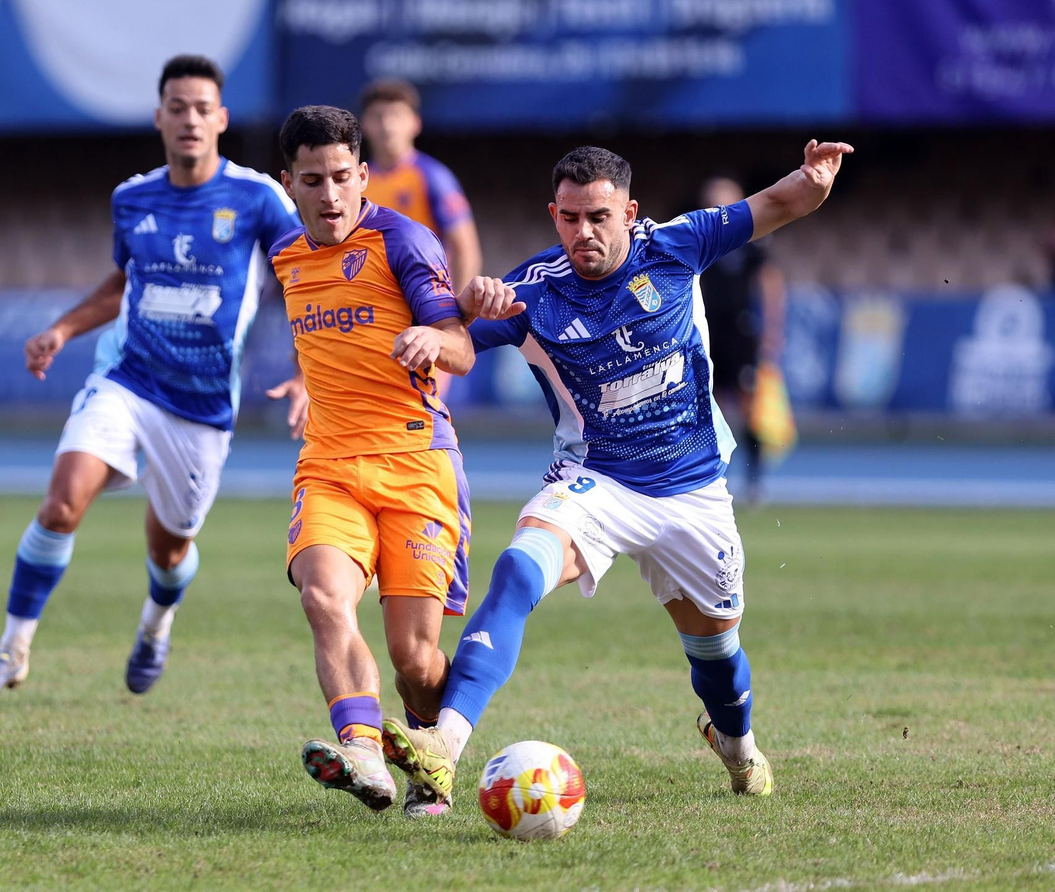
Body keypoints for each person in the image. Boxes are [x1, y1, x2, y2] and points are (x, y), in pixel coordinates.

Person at [381, 141, 854, 803]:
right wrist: (450, 325)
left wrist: (815, 179)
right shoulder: (531, 292)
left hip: (692, 489)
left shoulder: (677, 245)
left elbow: (780, 203)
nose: (584, 232)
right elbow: (458, 347)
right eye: (570, 218)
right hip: (595, 481)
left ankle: (738, 748)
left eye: (599, 216)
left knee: (717, 661)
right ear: (554, 214)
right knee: (519, 568)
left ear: (629, 213)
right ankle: (444, 748)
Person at [0, 55, 302, 704]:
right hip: (126, 377)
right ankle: (11, 651)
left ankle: (155, 626)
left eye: (203, 108)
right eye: (178, 107)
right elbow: (123, 284)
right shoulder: (132, 197)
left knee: (169, 551)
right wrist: (61, 330)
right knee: (61, 504)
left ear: (222, 119)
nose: (191, 119)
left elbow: (303, 282)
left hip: (201, 407)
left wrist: (308, 373)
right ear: (159, 117)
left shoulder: (259, 198)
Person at [269, 105, 478, 817]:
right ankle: (361, 750)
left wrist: (431, 341)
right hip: (329, 464)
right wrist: (306, 379)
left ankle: (431, 760)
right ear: (288, 184)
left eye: (340, 178)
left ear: (363, 174)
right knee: (324, 597)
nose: (329, 196)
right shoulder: (285, 253)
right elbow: (327, 338)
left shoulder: (403, 241)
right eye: (311, 180)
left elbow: (463, 348)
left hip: (417, 465)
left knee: (415, 658)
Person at [358, 79, 482, 396]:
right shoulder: (357, 183)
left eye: (396, 115)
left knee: (425, 407)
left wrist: (455, 318)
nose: (387, 125)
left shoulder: (432, 177)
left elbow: (465, 246)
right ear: (365, 124)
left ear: (415, 123)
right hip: (373, 316)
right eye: (378, 116)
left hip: (426, 313)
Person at [698, 176, 787, 500]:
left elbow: (770, 284)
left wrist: (772, 331)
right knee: (711, 410)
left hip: (740, 333)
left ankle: (754, 482)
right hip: (707, 334)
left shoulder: (751, 241)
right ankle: (712, 480)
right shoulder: (699, 240)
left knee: (750, 409)